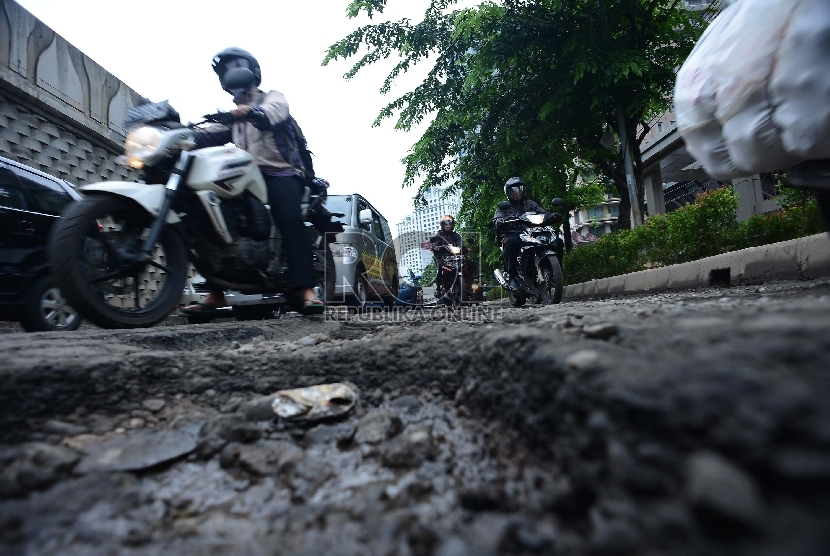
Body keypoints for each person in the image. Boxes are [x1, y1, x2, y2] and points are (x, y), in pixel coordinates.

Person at [181, 47, 324, 315]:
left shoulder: (271, 98)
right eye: (225, 71)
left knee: (288, 217)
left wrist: (250, 112)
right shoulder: (232, 118)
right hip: (242, 176)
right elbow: (205, 134)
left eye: (234, 67)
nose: (230, 74)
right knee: (210, 220)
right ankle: (216, 293)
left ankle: (307, 289)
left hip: (280, 172)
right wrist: (179, 133)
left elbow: (274, 112)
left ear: (251, 71)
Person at [493, 177, 546, 291]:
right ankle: (512, 276)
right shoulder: (504, 207)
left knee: (557, 241)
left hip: (533, 233)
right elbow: (497, 219)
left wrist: (551, 216)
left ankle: (555, 269)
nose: (517, 192)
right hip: (514, 234)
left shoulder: (531, 204)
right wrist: (501, 221)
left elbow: (543, 213)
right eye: (514, 190)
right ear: (508, 192)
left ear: (524, 190)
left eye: (520, 189)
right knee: (511, 242)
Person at [430, 215, 468, 306]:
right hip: (443, 257)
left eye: (450, 224)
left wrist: (462, 247)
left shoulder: (456, 235)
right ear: (442, 225)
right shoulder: (439, 235)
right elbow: (435, 243)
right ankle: (438, 289)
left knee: (468, 264)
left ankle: (471, 285)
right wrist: (436, 247)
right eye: (446, 224)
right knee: (439, 266)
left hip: (455, 257)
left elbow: (460, 242)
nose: (448, 226)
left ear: (452, 225)